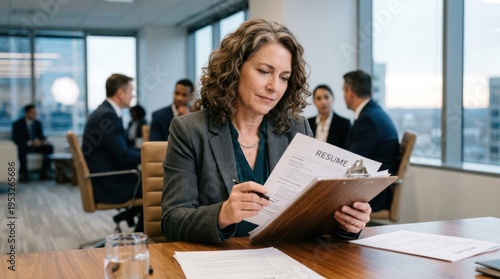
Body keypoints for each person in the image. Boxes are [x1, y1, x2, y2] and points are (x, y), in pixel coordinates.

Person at [161, 19, 372, 243]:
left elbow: (314, 214)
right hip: (219, 261)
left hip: (284, 260)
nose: (274, 87)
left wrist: (346, 224)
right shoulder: (189, 130)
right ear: (234, 69)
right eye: (264, 71)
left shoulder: (297, 129)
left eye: (284, 78)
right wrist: (222, 214)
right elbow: (172, 220)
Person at [82, 73, 143, 231]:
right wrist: (148, 156)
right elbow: (123, 156)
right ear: (120, 93)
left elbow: (121, 151)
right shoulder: (107, 116)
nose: (133, 95)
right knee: (158, 187)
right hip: (109, 184)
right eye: (131, 91)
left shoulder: (104, 112)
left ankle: (137, 231)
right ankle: (139, 238)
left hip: (105, 179)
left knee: (153, 185)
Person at [343, 70, 400, 212]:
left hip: (375, 194)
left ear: (350, 92)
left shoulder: (368, 119)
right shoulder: (374, 112)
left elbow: (353, 163)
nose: (344, 96)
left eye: (344, 91)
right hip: (376, 187)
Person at [12, 104, 54, 182]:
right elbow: (16, 139)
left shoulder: (38, 123)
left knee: (49, 147)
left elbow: (41, 136)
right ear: (27, 113)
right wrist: (30, 143)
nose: (35, 114)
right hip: (25, 146)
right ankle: (24, 175)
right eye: (33, 112)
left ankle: (44, 173)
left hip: (35, 146)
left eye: (36, 112)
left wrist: (41, 142)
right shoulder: (17, 124)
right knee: (21, 148)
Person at [308, 84, 351, 149]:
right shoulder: (308, 122)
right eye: (318, 98)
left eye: (326, 97)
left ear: (333, 99)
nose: (323, 102)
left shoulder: (344, 123)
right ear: (314, 102)